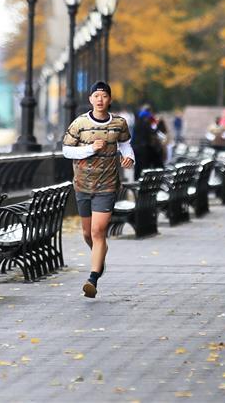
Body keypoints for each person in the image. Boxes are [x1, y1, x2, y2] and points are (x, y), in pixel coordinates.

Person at [62, 81, 135, 299]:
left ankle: (93, 277)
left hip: (108, 184)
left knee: (98, 231)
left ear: (110, 99)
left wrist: (129, 157)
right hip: (83, 184)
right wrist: (89, 149)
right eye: (96, 96)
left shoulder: (119, 123)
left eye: (104, 96)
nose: (100, 100)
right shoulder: (79, 124)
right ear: (90, 100)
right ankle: (99, 255)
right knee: (87, 233)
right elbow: (66, 151)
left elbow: (125, 144)